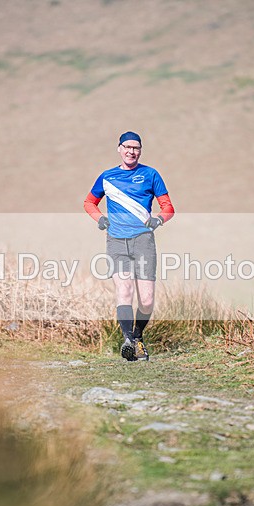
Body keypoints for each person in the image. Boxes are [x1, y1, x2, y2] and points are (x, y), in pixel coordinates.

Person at [83, 131, 175, 361]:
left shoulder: (150, 174)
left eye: (136, 148)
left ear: (140, 151)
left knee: (146, 299)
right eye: (127, 147)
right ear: (119, 149)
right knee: (124, 291)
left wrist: (159, 219)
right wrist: (100, 219)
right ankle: (127, 341)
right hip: (116, 241)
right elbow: (89, 202)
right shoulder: (107, 177)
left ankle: (137, 338)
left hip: (143, 241)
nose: (131, 151)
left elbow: (168, 207)